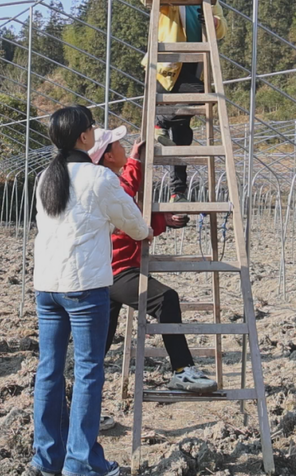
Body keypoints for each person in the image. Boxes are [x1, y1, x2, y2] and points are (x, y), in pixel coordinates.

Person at [26, 105, 152, 476]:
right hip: (83, 288)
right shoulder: (99, 178)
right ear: (83, 137)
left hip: (47, 287)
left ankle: (47, 458)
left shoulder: (45, 177)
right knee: (87, 371)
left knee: (49, 370)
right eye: (93, 127)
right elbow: (136, 226)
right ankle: (81, 462)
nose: (97, 131)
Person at [86, 129, 218, 431]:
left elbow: (129, 207)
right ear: (108, 155)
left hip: (105, 274)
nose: (124, 147)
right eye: (119, 145)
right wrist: (137, 161)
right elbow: (127, 213)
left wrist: (162, 221)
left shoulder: (109, 181)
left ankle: (82, 414)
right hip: (117, 271)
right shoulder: (109, 183)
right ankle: (183, 369)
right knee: (166, 299)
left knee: (99, 347)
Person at [139, 0, 228, 207]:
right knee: (180, 128)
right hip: (167, 67)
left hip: (195, 66)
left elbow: (222, 29)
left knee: (184, 128)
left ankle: (177, 187)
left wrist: (214, 23)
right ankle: (176, 187)